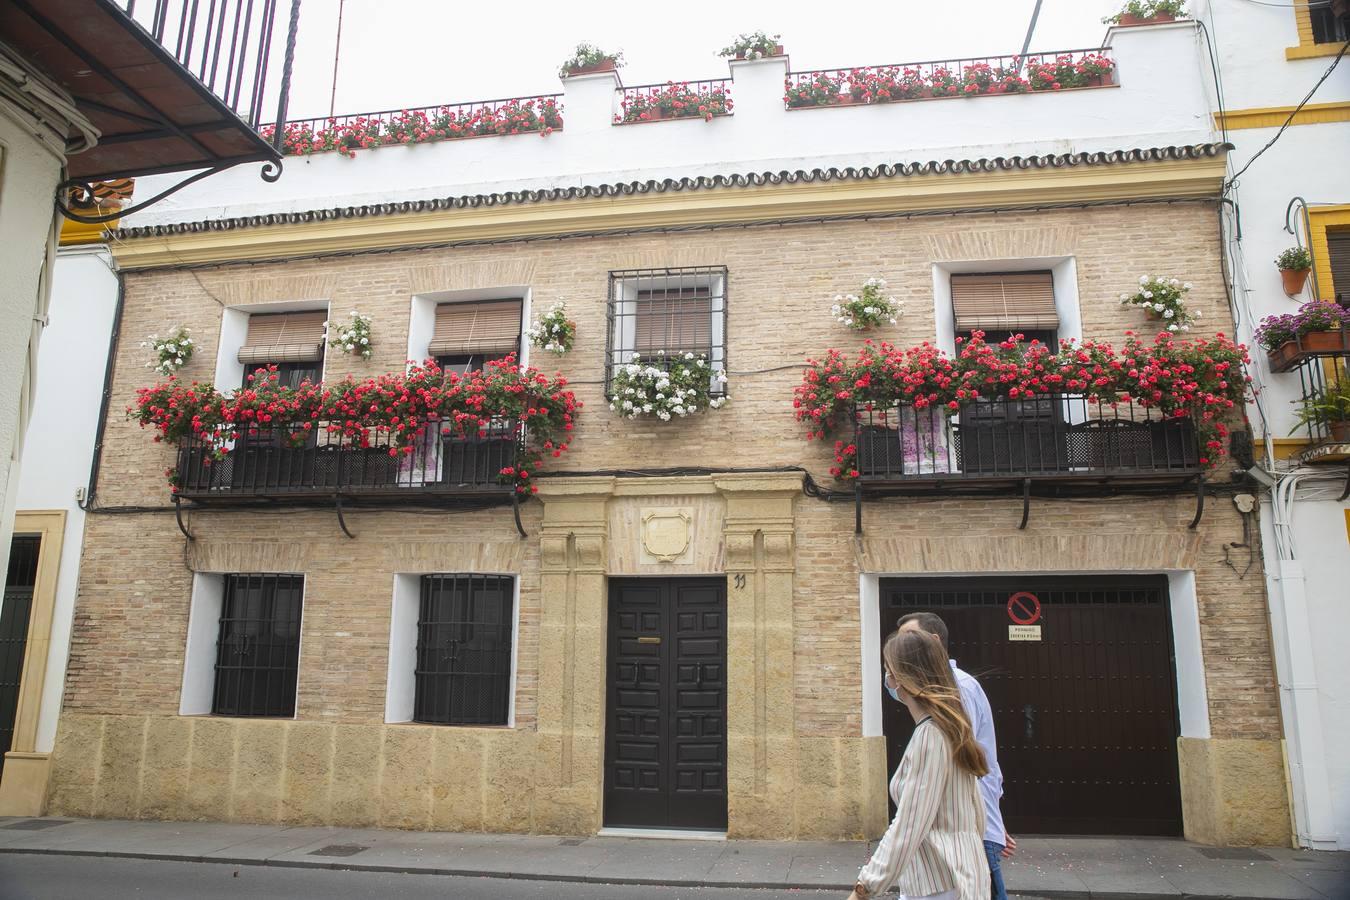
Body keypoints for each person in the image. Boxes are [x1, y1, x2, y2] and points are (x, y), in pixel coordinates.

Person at [849, 629, 989, 900]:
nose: (887, 679)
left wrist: (864, 888)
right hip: (959, 876)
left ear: (901, 679)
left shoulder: (931, 736)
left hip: (937, 883)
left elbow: (909, 825)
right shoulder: (953, 728)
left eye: (888, 671)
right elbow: (976, 812)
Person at [897, 612, 1016, 900]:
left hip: (970, 832)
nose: (901, 648)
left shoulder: (957, 690)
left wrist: (988, 823)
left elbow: (963, 763)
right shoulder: (940, 691)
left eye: (908, 639)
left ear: (935, 642)